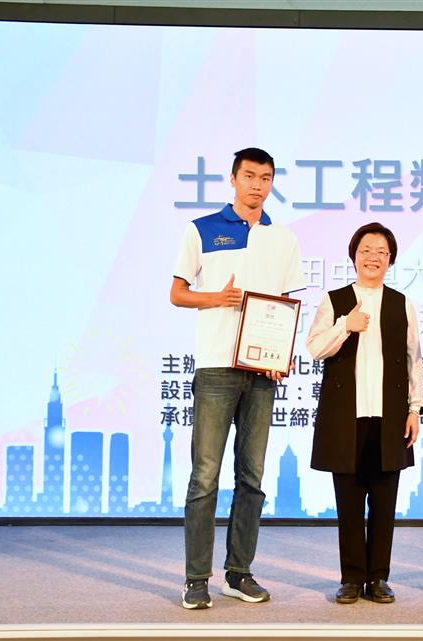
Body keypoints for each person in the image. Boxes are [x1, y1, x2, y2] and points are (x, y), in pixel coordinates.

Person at [170, 147, 305, 610]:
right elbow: (177, 293)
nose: (257, 185)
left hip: (261, 371)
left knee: (252, 477)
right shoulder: (202, 229)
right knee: (205, 476)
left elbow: (284, 305)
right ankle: (195, 579)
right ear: (233, 179)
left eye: (265, 178)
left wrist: (280, 354)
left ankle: (239, 572)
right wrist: (216, 298)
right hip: (215, 366)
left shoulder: (283, 238)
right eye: (249, 176)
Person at [307, 222, 423, 604]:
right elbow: (315, 348)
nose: (373, 257)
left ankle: (378, 578)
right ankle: (351, 578)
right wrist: (346, 325)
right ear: (354, 256)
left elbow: (414, 359)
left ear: (390, 259)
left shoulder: (401, 303)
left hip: (389, 418)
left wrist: (415, 408)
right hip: (347, 417)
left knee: (384, 504)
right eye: (366, 250)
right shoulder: (335, 301)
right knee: (349, 503)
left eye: (381, 252)